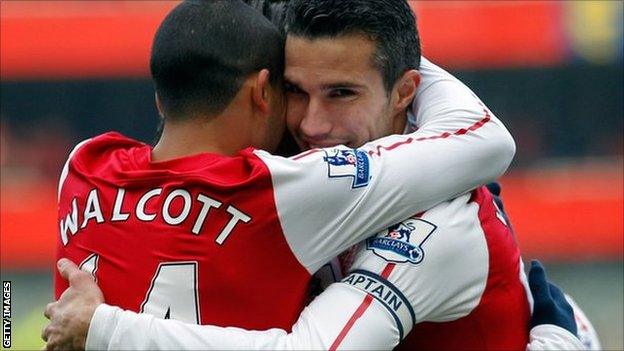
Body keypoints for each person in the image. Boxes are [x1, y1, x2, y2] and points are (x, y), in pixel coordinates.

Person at [47, 0, 518, 349]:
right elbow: (486, 139)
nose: (312, 125)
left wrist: (103, 328)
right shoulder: (282, 187)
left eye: (341, 92)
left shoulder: (83, 165)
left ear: (405, 91)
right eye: (295, 91)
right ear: (265, 91)